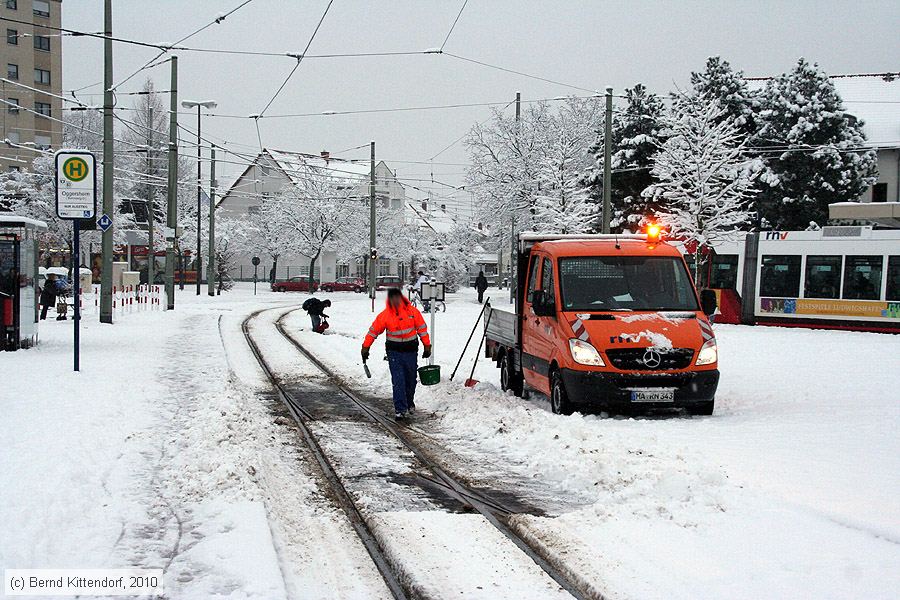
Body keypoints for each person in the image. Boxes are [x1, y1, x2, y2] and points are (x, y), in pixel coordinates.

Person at [361, 288, 431, 420]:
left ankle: (409, 403)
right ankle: (400, 408)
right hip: (394, 353)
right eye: (393, 299)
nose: (395, 301)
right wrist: (365, 347)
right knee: (398, 380)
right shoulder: (385, 315)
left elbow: (422, 329)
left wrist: (427, 345)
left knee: (410, 380)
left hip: (410, 351)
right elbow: (373, 332)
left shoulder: (413, 312)